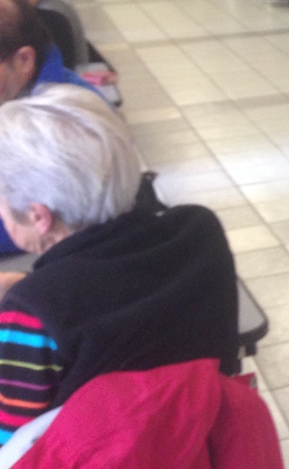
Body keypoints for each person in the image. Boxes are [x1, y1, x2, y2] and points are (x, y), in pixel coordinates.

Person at [0, 85, 239, 443]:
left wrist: (26, 300)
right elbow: (115, 290)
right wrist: (28, 288)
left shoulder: (34, 314)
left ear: (39, 216)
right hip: (204, 443)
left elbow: (11, 446)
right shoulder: (199, 233)